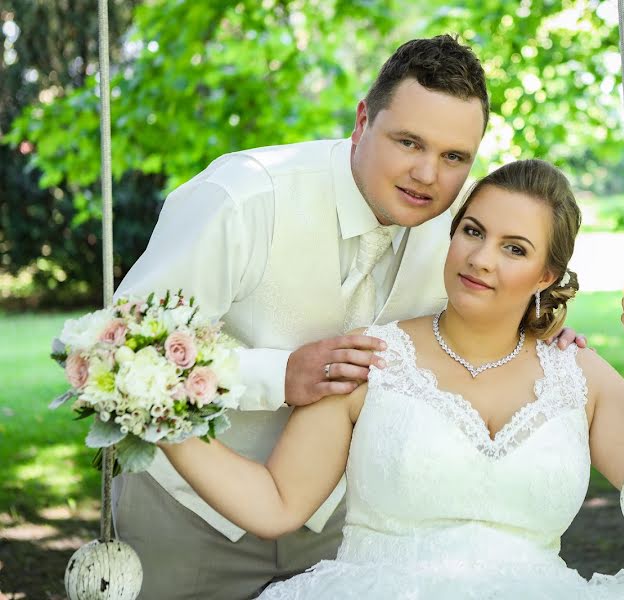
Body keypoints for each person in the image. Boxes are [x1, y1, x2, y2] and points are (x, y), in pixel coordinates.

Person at [112, 35, 586, 598]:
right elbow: (122, 351)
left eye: (455, 156)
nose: (428, 175)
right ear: (363, 120)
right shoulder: (241, 199)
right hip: (189, 511)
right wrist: (277, 375)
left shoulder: (466, 229)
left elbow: (490, 309)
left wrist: (536, 334)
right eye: (408, 142)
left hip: (342, 526)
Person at [160, 159, 624, 599]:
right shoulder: (373, 359)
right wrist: (162, 421)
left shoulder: (577, 377)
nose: (480, 259)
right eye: (472, 232)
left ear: (546, 275)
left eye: (514, 249)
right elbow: (276, 502)